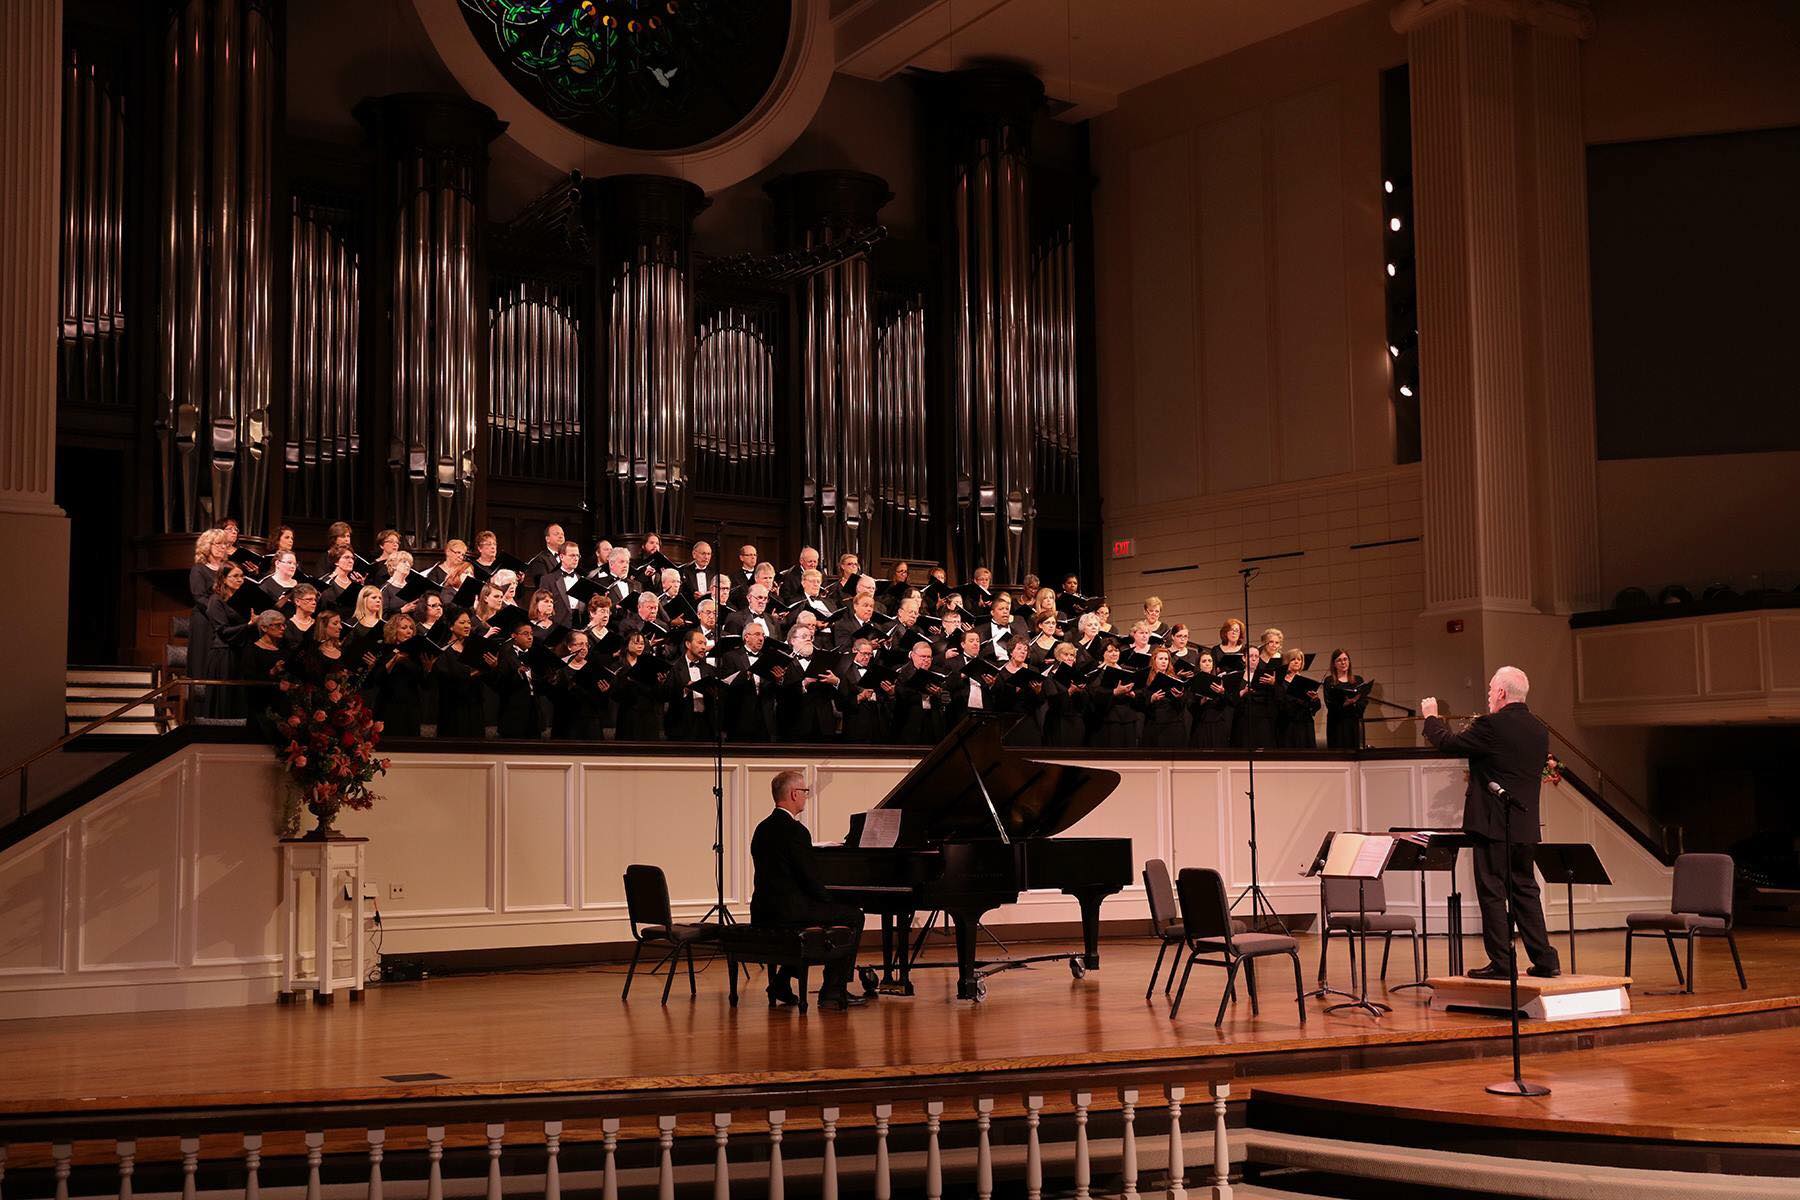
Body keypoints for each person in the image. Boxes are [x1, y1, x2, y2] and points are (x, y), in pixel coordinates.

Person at [1421, 667, 1560, 979]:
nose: (1487, 696)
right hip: (1525, 827)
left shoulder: (1492, 725)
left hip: (1493, 825)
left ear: (1500, 694)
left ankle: (1502, 962)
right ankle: (1546, 959)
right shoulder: (1539, 729)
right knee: (1525, 891)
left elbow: (1448, 743)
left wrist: (1431, 717)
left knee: (1493, 892)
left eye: (1489, 691)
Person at [748, 770, 866, 1009]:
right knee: (853, 916)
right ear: (793, 794)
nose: (805, 796)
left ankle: (781, 981)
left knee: (822, 920)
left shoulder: (762, 828)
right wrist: (830, 900)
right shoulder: (796, 832)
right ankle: (833, 990)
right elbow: (810, 879)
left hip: (763, 910)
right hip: (790, 912)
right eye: (804, 791)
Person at [1323, 649, 1370, 750]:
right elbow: (1329, 704)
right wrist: (1344, 704)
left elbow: (1363, 701)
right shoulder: (1329, 681)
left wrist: (1354, 703)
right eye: (1339, 660)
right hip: (1336, 724)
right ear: (1334, 664)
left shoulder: (1358, 680)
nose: (1343, 662)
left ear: (1349, 661)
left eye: (1345, 659)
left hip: (1353, 722)